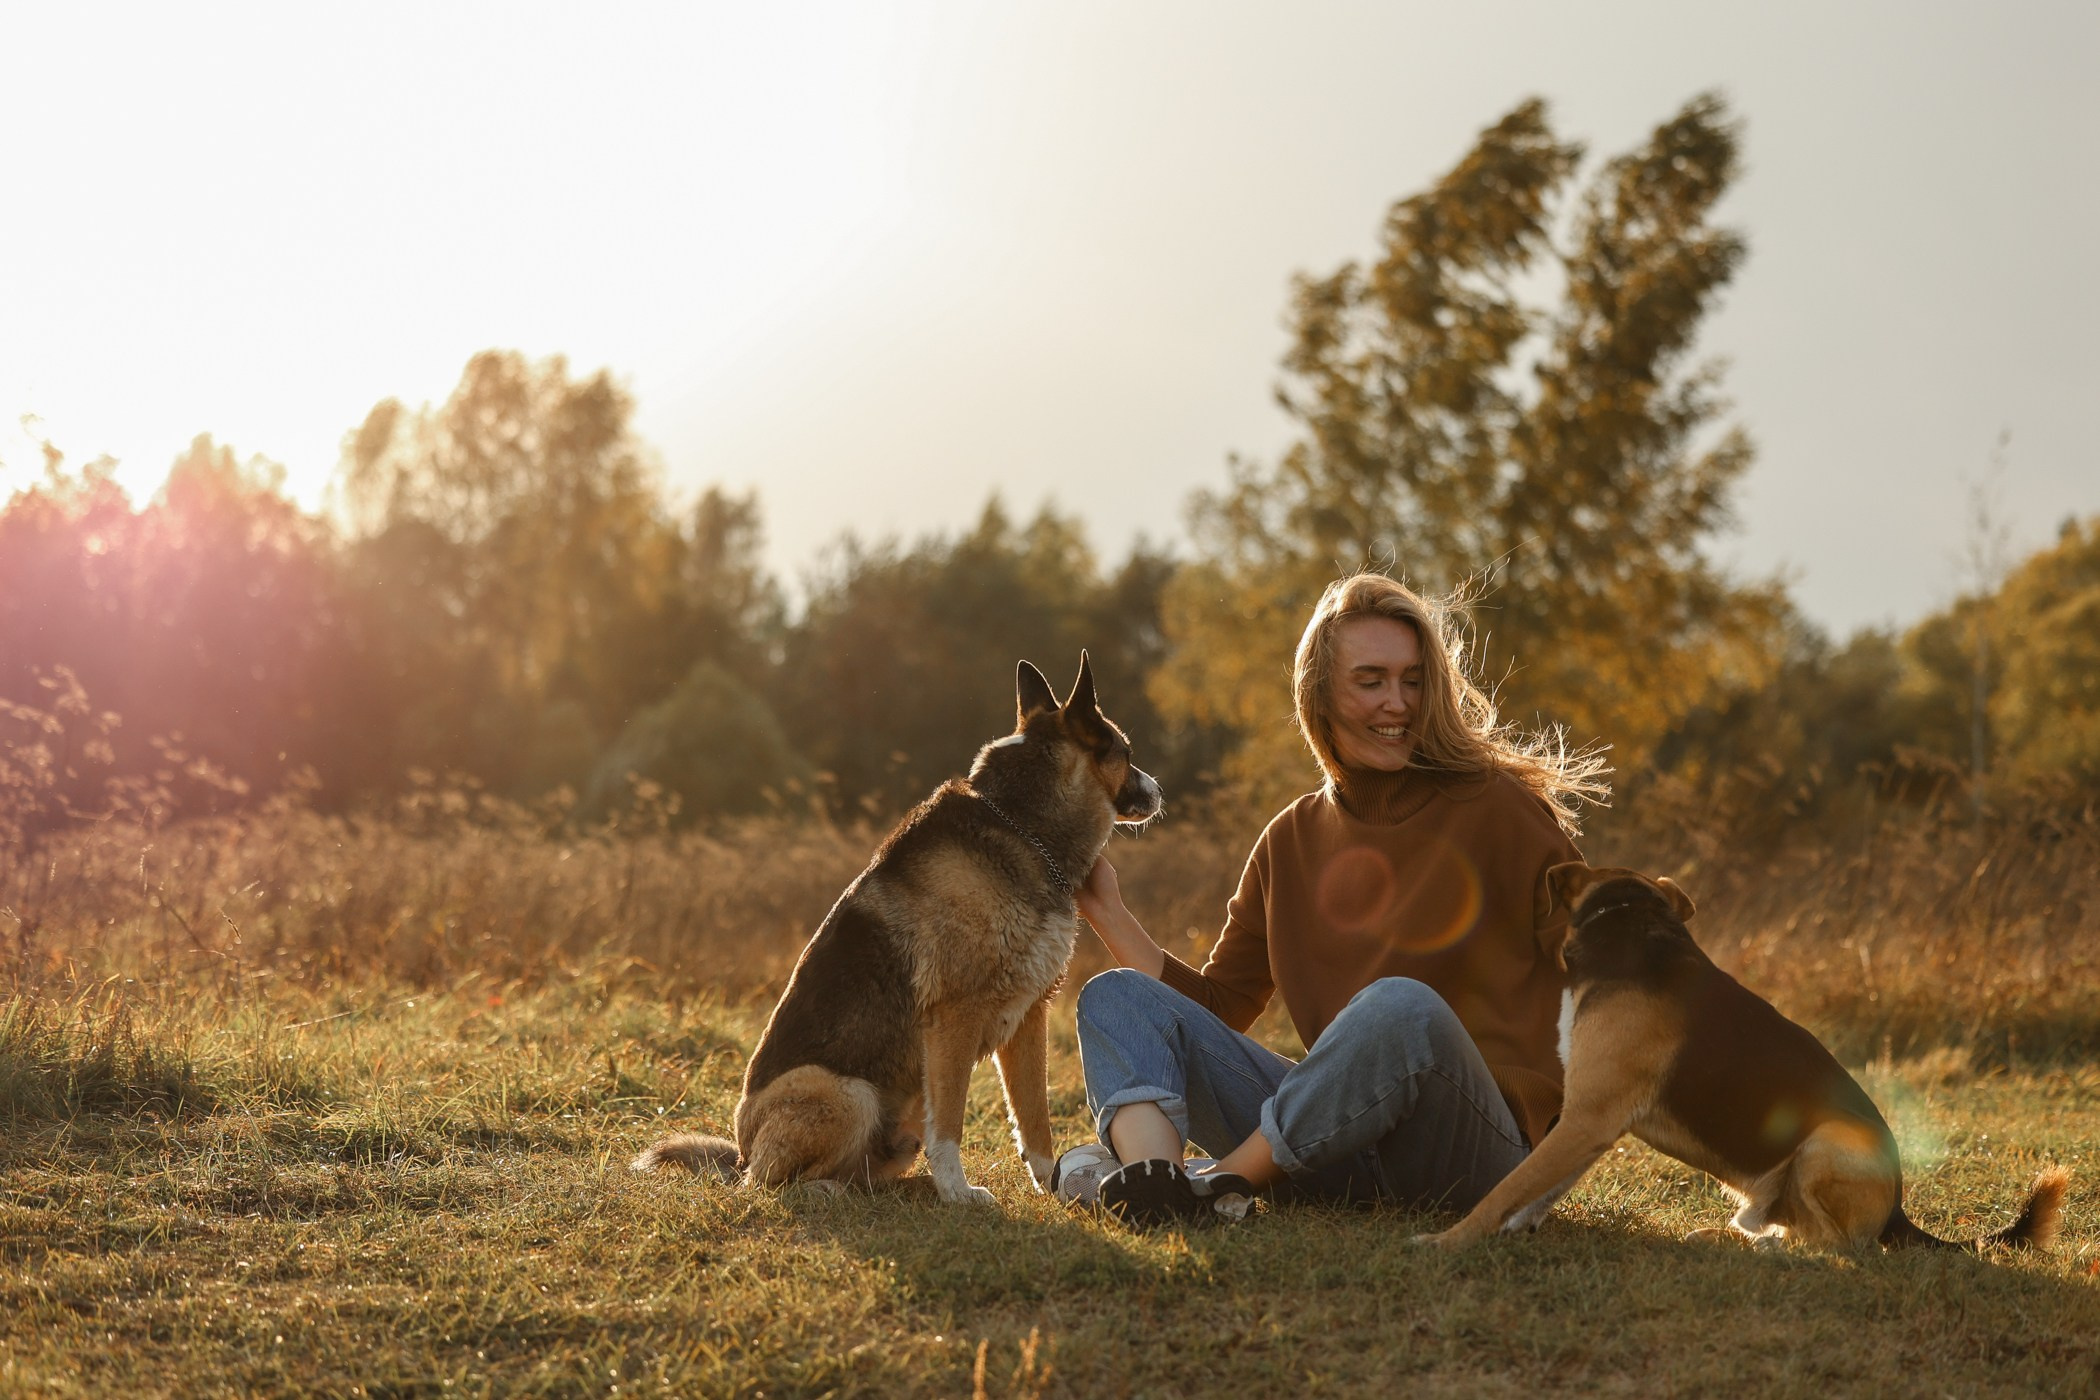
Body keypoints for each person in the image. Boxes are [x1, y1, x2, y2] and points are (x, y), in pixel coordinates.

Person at [1061, 572, 1609, 1226]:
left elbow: (1612, 966)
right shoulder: (1289, 839)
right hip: (1336, 1143)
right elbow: (1218, 1009)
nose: (1398, 703)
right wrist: (1108, 911)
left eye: (1413, 681)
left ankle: (1222, 1182)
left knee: (1399, 1006)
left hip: (1475, 1153)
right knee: (1116, 997)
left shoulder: (1497, 808)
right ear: (1318, 695)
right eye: (1371, 681)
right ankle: (1160, 1189)